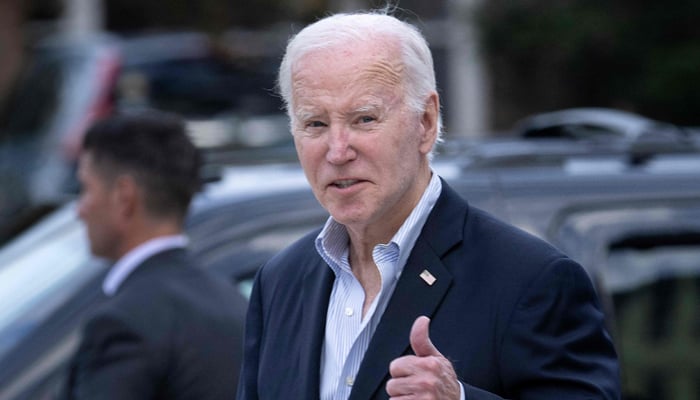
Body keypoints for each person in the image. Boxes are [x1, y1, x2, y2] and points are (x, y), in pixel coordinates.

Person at [236, 10, 621, 400]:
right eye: (315, 124)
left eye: (364, 119)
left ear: (426, 122)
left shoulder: (531, 279)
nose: (337, 151)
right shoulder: (279, 281)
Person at [60, 110, 247, 399]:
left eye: (85, 189)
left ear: (124, 197)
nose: (79, 209)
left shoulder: (123, 322)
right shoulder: (233, 301)